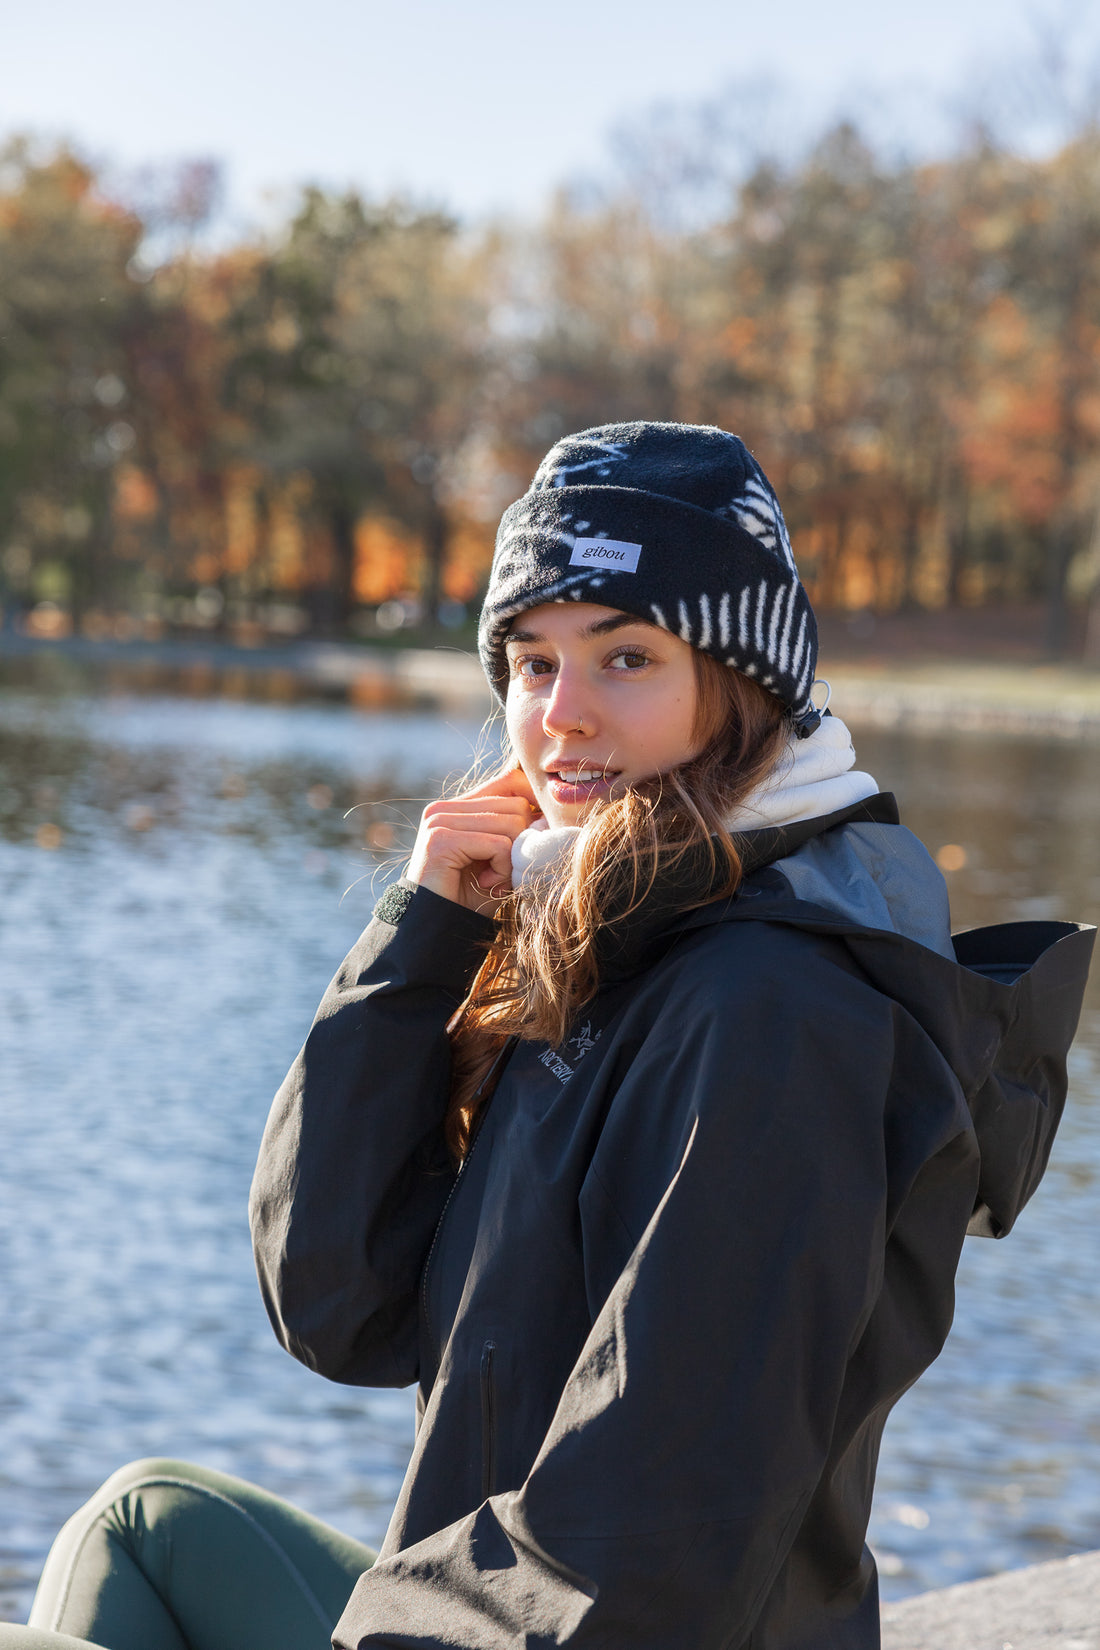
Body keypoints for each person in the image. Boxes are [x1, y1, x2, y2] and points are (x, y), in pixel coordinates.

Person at [4, 422, 1093, 1650]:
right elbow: (338, 1302)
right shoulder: (610, 936)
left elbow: (646, 1554)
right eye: (530, 662)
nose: (559, 716)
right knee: (144, 1524)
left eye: (622, 657)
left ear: (741, 688)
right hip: (485, 1616)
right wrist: (419, 943)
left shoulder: (772, 1020)